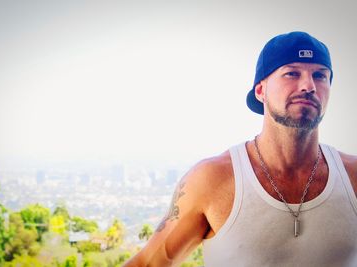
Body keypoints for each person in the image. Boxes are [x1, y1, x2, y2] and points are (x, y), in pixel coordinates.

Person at [123, 31, 357, 267]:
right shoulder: (211, 180)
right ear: (260, 91)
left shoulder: (353, 176)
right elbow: (148, 263)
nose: (309, 86)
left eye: (320, 76)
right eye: (292, 73)